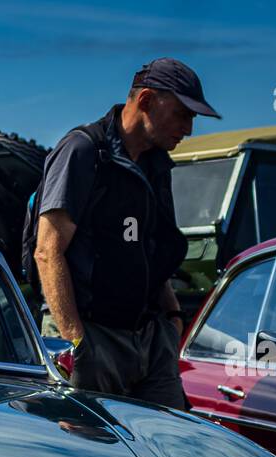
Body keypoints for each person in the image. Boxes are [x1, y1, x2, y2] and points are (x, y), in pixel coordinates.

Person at [31, 58, 219, 409]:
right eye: (182, 113)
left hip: (150, 338)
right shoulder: (84, 151)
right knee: (89, 453)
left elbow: (151, 252)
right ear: (146, 100)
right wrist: (77, 342)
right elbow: (47, 251)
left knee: (167, 448)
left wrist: (173, 318)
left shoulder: (156, 165)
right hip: (92, 336)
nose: (189, 128)